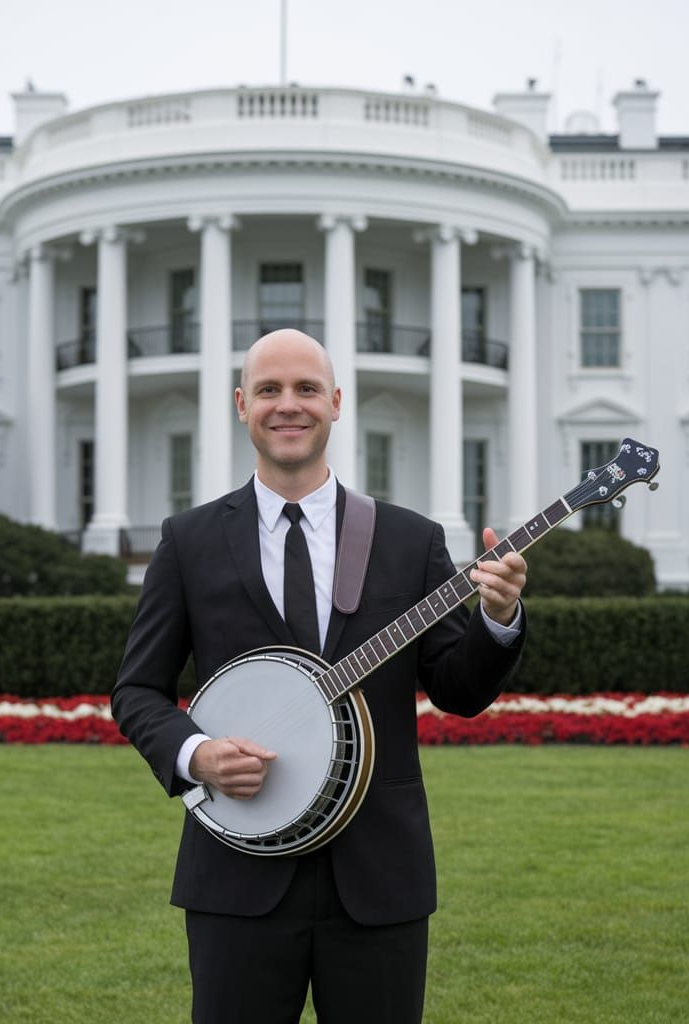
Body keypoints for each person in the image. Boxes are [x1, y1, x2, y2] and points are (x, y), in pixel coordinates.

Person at [112, 328, 528, 1023]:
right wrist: (196, 754)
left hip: (378, 879)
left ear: (336, 404)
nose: (288, 405)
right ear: (242, 405)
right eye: (269, 390)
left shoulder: (410, 539)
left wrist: (499, 616)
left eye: (307, 389)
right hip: (237, 876)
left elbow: (460, 691)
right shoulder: (189, 541)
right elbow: (136, 689)